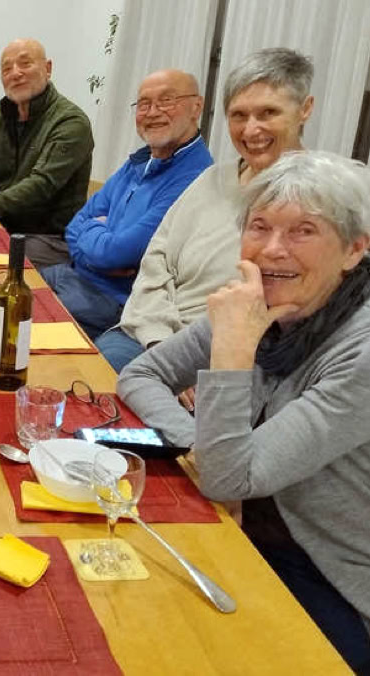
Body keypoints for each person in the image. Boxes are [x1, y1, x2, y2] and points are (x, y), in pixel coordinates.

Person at [117, 151, 370, 673]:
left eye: (303, 231)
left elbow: (229, 476)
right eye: (259, 226)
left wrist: (232, 352)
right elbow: (140, 375)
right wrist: (203, 444)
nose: (273, 248)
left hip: (327, 576)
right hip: (235, 525)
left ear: (354, 249)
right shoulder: (257, 301)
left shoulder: (358, 350)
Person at [97, 48, 315, 377]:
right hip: (147, 336)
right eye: (239, 116)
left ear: (304, 110)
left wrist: (194, 362)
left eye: (268, 113)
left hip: (224, 359)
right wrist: (158, 341)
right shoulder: (211, 179)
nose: (251, 130)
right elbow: (156, 262)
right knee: (72, 373)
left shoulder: (318, 198)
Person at [40, 70, 212, 339]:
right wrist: (96, 248)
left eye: (166, 100)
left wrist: (94, 236)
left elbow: (118, 254)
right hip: (71, 273)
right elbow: (74, 226)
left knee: (17, 327)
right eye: (144, 104)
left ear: (196, 107)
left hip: (110, 299)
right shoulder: (142, 160)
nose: (152, 112)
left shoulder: (194, 177)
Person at [0, 38, 94, 267]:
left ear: (48, 68)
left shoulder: (71, 122)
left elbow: (41, 185)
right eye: (7, 69)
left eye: (25, 64)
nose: (15, 73)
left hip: (48, 238)